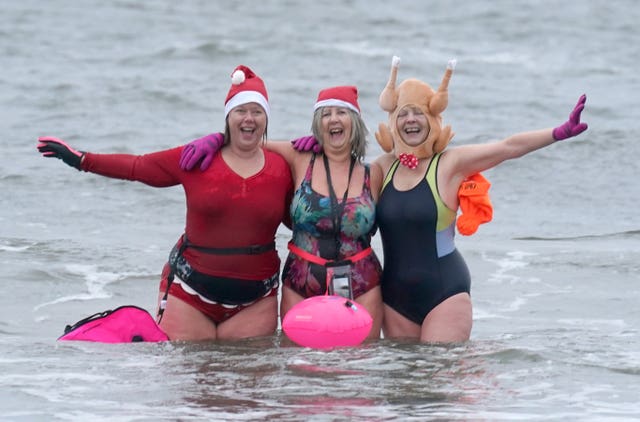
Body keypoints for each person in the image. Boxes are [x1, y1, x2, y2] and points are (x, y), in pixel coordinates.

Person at [286, 56, 588, 344]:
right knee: (404, 386)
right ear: (394, 122)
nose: (410, 120)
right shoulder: (382, 167)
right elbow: (341, 187)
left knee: (439, 381)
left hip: (444, 292)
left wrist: (558, 132)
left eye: (418, 112)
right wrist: (318, 146)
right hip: (393, 298)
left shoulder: (450, 164)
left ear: (433, 119)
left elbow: (507, 147)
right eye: (402, 113)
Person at [36, 65, 293, 342]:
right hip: (189, 294)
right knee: (188, 379)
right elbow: (138, 166)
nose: (249, 119)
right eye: (241, 111)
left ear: (266, 119)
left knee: (251, 381)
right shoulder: (197, 159)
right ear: (228, 116)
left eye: (257, 112)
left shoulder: (282, 168)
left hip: (255, 301)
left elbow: (309, 217)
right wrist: (82, 160)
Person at [180, 86, 385, 340]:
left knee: (361, 370)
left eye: (341, 112)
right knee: (299, 371)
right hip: (301, 281)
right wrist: (217, 140)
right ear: (317, 125)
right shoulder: (299, 158)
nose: (333, 119)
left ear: (354, 122)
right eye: (325, 114)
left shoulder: (374, 173)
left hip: (362, 283)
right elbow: (249, 141)